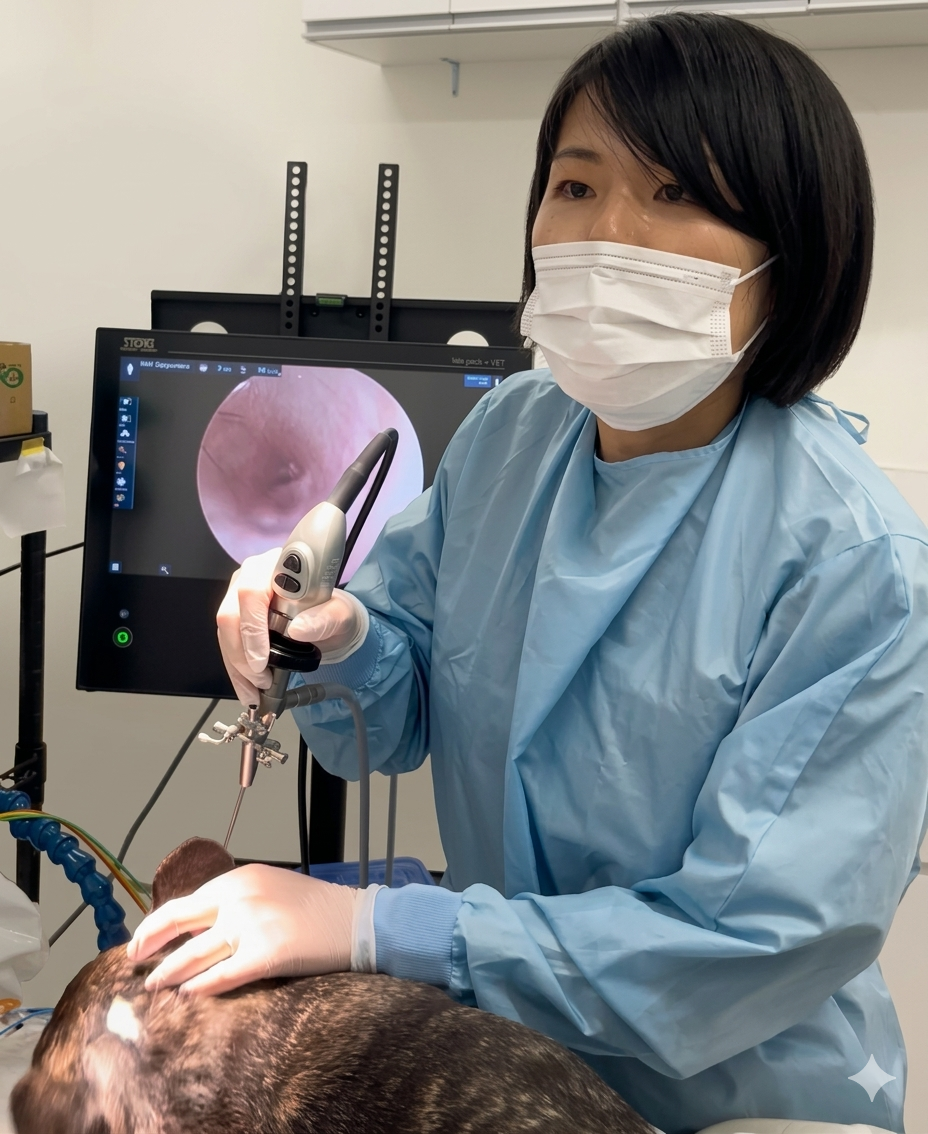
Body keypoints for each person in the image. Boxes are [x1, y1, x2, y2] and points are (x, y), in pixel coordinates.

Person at [128, 14, 928, 1134]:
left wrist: (376, 929)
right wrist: (342, 639)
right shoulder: (515, 434)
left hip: (741, 1095)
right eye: (576, 186)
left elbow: (744, 944)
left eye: (675, 194)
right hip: (506, 1062)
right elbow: (395, 715)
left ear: (793, 250)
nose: (608, 236)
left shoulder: (854, 563)